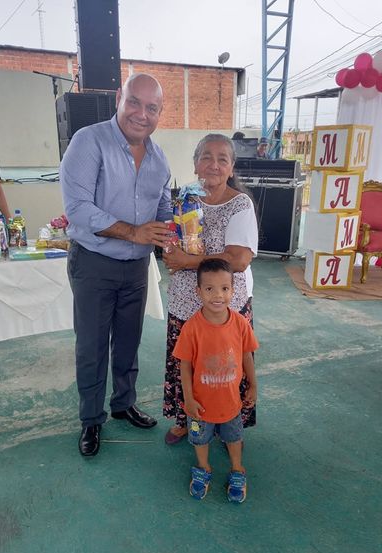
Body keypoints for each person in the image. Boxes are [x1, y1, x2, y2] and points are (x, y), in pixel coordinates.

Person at [60, 73, 172, 457]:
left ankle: (124, 403)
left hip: (136, 268)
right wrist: (134, 232)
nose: (142, 114)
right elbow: (78, 209)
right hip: (94, 262)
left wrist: (178, 230)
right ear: (119, 98)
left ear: (160, 112)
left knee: (128, 341)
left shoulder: (159, 159)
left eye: (152, 107)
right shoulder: (88, 141)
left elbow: (163, 208)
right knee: (92, 346)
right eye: (134, 102)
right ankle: (92, 419)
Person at [163, 133, 259, 444]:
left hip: (224, 306)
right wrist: (170, 251)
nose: (213, 165)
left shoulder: (239, 204)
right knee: (188, 366)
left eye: (222, 159)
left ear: (231, 168)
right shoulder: (184, 201)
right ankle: (186, 420)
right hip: (185, 304)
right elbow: (172, 244)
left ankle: (228, 423)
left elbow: (238, 259)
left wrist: (186, 261)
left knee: (225, 367)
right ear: (195, 164)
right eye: (206, 157)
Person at [173, 258, 259, 502]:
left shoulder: (240, 324)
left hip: (231, 403)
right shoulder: (191, 328)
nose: (218, 295)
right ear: (198, 291)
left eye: (224, 288)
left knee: (234, 437)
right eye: (209, 288)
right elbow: (185, 365)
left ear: (233, 290)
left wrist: (253, 385)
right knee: (199, 438)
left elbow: (247, 355)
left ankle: (237, 469)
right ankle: (203, 467)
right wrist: (189, 399)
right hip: (199, 407)